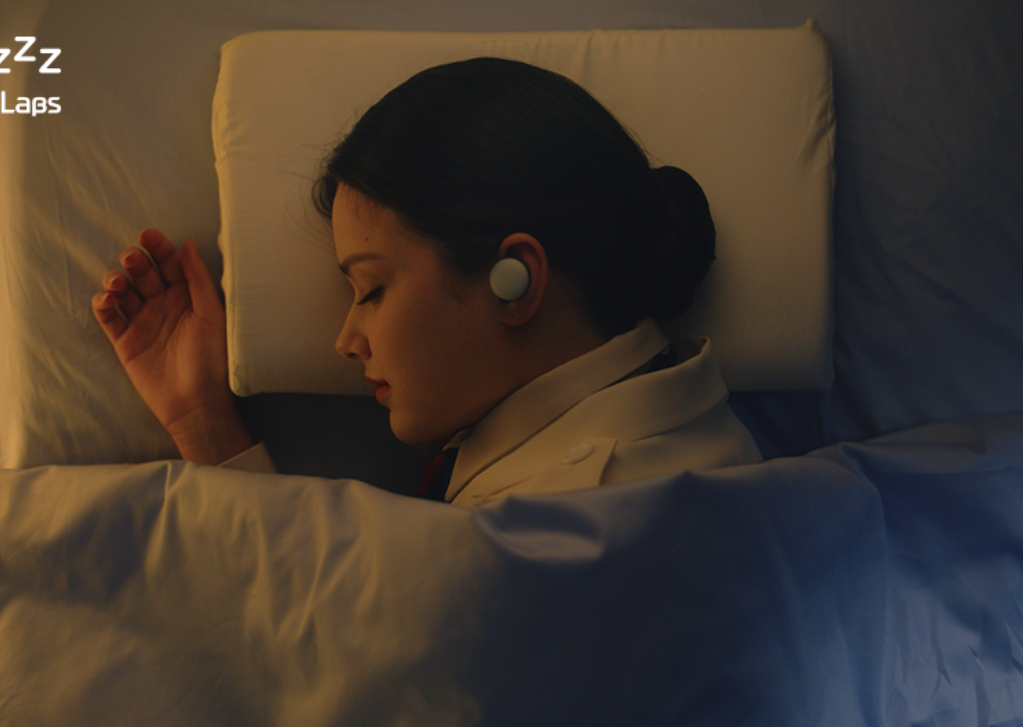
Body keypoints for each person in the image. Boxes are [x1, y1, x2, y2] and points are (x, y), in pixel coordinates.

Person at [91, 57, 760, 508]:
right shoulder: (665, 444)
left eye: (372, 289)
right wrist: (201, 416)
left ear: (516, 280)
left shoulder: (589, 517)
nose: (346, 340)